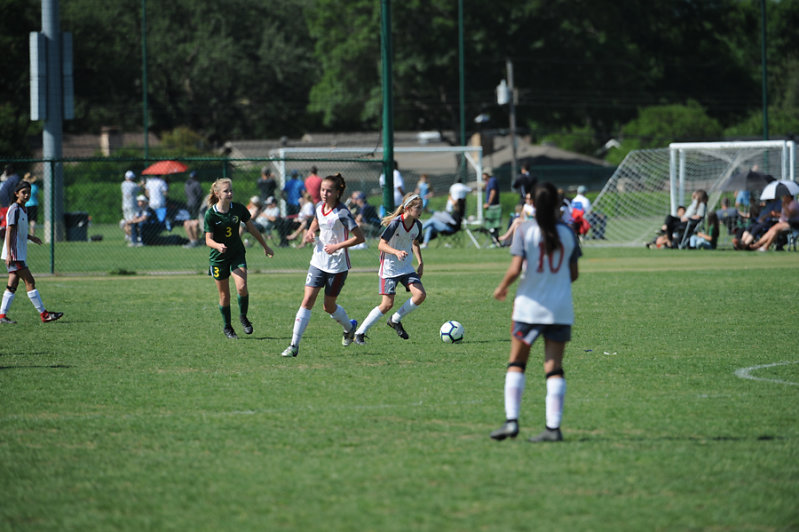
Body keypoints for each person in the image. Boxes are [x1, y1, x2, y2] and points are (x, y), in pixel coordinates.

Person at [490, 182, 580, 443]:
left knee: (517, 363)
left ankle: (512, 422)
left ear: (534, 205)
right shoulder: (568, 233)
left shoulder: (525, 230)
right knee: (554, 367)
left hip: (528, 308)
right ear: (557, 205)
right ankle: (553, 428)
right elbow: (574, 274)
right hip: (560, 308)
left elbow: (515, 268)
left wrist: (502, 287)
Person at [281, 173, 365, 358]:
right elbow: (316, 221)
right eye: (322, 190)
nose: (324, 194)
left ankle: (349, 328)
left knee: (328, 306)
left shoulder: (342, 212)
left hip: (337, 266)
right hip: (318, 261)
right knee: (307, 300)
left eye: (329, 191)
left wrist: (337, 246)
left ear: (337, 193)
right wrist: (311, 232)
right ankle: (294, 345)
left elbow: (360, 238)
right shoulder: (319, 206)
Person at [204, 178, 274, 339]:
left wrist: (265, 246)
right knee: (225, 296)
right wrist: (217, 246)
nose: (230, 193)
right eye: (226, 191)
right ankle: (228, 327)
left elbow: (252, 229)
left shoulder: (238, 209)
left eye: (231, 190)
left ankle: (243, 317)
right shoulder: (211, 214)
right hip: (218, 258)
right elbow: (208, 240)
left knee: (242, 287)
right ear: (217, 194)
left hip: (236, 254)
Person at [353, 193, 425, 345]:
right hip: (390, 268)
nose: (421, 211)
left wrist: (420, 262)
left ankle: (395, 320)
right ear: (408, 208)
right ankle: (359, 333)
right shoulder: (395, 223)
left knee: (420, 295)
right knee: (387, 304)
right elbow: (381, 245)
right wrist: (396, 252)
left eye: (421, 207)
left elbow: (415, 243)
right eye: (418, 208)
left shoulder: (418, 225)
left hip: (406, 267)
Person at [0, 180, 63, 324]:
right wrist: (9, 254)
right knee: (30, 281)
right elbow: (9, 231)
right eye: (23, 192)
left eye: (28, 192)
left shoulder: (23, 208)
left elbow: (19, 230)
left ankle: (2, 316)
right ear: (16, 194)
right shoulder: (15, 209)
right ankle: (44, 314)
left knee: (12, 285)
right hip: (15, 254)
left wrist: (31, 237)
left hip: (18, 252)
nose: (27, 195)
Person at [120, 170, 140, 243]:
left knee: (126, 220)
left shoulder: (123, 184)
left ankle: (127, 235)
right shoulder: (134, 185)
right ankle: (132, 236)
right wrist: (141, 183)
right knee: (131, 221)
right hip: (132, 205)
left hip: (124, 205)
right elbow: (139, 189)